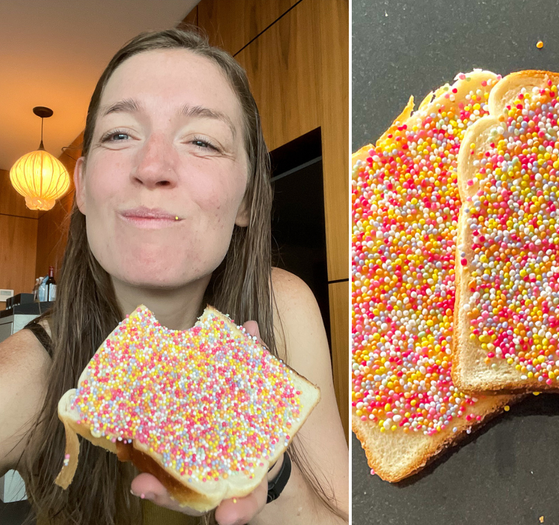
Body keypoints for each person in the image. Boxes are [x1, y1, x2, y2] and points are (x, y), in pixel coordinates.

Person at [0, 29, 348, 525]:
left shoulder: (281, 306)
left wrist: (267, 473)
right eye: (120, 134)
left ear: (248, 198)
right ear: (80, 187)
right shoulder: (28, 376)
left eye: (202, 141)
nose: (153, 166)